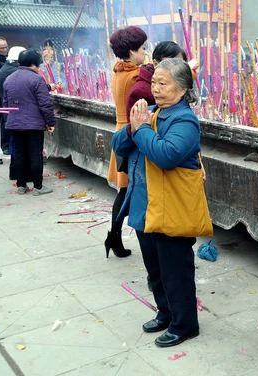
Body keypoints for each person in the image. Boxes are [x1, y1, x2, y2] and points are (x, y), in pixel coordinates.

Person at [112, 58, 207, 347]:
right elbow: (118, 146)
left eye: (163, 83)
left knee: (175, 270)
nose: (156, 88)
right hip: (145, 205)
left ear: (182, 89)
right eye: (154, 82)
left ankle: (185, 323)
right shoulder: (149, 112)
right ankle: (165, 313)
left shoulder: (185, 121)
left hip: (172, 209)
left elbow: (165, 155)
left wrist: (140, 130)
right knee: (155, 269)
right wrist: (132, 128)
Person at [105, 25, 148, 258]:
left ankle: (114, 237)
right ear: (131, 51)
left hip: (121, 129)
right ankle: (114, 236)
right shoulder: (134, 77)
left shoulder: (118, 72)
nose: (145, 52)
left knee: (124, 189)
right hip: (131, 134)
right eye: (142, 48)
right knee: (126, 190)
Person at [3, 49, 55, 195]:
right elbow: (45, 104)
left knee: (19, 154)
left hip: (15, 123)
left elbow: (6, 103)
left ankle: (21, 185)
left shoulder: (9, 79)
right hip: (33, 124)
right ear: (35, 63)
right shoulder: (37, 79)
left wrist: (12, 120)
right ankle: (38, 187)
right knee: (35, 154)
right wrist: (50, 123)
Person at [126, 41, 187, 116]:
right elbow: (136, 124)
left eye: (180, 64)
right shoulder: (140, 91)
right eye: (170, 63)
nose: (156, 89)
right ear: (155, 64)